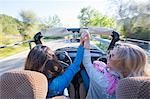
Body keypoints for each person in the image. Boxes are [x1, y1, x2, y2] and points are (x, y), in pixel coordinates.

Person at [81, 30, 148, 99]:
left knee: (82, 77)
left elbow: (87, 63)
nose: (107, 56)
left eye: (111, 56)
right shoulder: (140, 86)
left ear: (119, 65)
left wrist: (87, 42)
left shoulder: (100, 79)